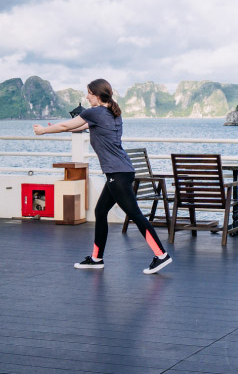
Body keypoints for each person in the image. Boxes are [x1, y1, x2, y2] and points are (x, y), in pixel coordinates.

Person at [33, 79, 172, 275]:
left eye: (88, 93)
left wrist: (44, 131)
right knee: (100, 211)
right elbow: (78, 127)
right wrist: (58, 127)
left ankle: (161, 254)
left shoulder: (94, 112)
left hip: (117, 173)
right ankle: (96, 258)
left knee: (135, 214)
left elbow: (66, 126)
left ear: (97, 95)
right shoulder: (113, 113)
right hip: (122, 171)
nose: (86, 97)